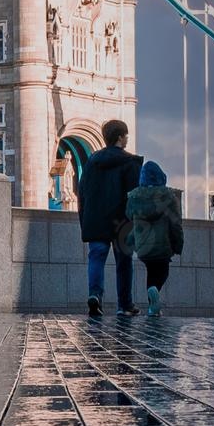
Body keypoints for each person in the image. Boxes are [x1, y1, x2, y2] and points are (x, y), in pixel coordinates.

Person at [78, 118, 143, 317]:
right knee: (124, 262)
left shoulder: (92, 161)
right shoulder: (130, 162)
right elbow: (135, 196)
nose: (126, 140)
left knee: (96, 257)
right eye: (126, 136)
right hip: (122, 222)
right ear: (120, 137)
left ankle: (95, 295)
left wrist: (85, 220)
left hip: (96, 219)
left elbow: (82, 192)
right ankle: (124, 305)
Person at [126, 159, 185, 316]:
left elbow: (129, 217)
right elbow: (175, 224)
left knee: (151, 271)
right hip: (162, 244)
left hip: (143, 247)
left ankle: (153, 306)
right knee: (162, 272)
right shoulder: (168, 197)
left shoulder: (134, 198)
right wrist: (178, 244)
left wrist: (131, 240)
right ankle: (154, 296)